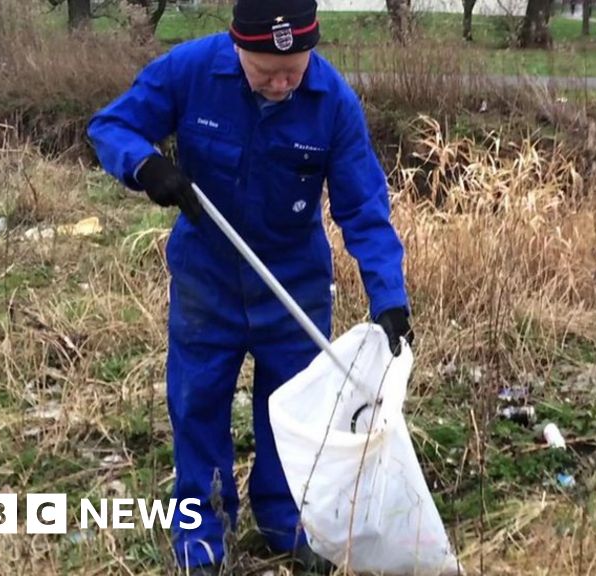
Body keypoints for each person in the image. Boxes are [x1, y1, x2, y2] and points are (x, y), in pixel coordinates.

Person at [86, 0, 414, 573]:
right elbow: (111, 125)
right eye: (267, 72)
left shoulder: (331, 100)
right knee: (197, 406)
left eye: (295, 69)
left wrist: (388, 296)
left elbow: (363, 205)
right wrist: (146, 167)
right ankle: (201, 534)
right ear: (238, 48)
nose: (284, 83)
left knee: (290, 413)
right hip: (206, 282)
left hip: (292, 285)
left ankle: (285, 520)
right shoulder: (189, 71)